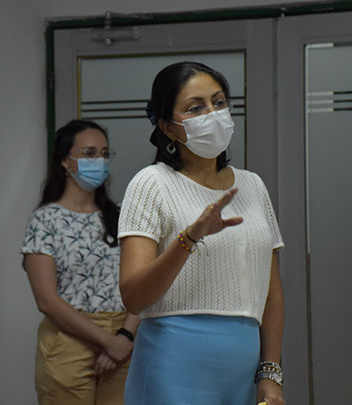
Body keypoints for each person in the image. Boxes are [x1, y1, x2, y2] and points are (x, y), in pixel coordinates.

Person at [118, 61, 285, 405]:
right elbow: (134, 297)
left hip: (243, 370)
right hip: (174, 365)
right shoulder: (151, 184)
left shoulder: (252, 185)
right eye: (196, 108)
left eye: (219, 102)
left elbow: (272, 295)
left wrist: (270, 373)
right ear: (168, 127)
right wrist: (189, 238)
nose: (213, 113)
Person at [21, 120, 140, 404]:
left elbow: (143, 284)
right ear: (65, 161)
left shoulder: (122, 216)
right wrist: (108, 342)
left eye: (104, 153)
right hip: (69, 343)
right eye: (89, 153)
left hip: (126, 341)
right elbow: (47, 301)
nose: (98, 160)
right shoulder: (45, 220)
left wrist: (124, 337)